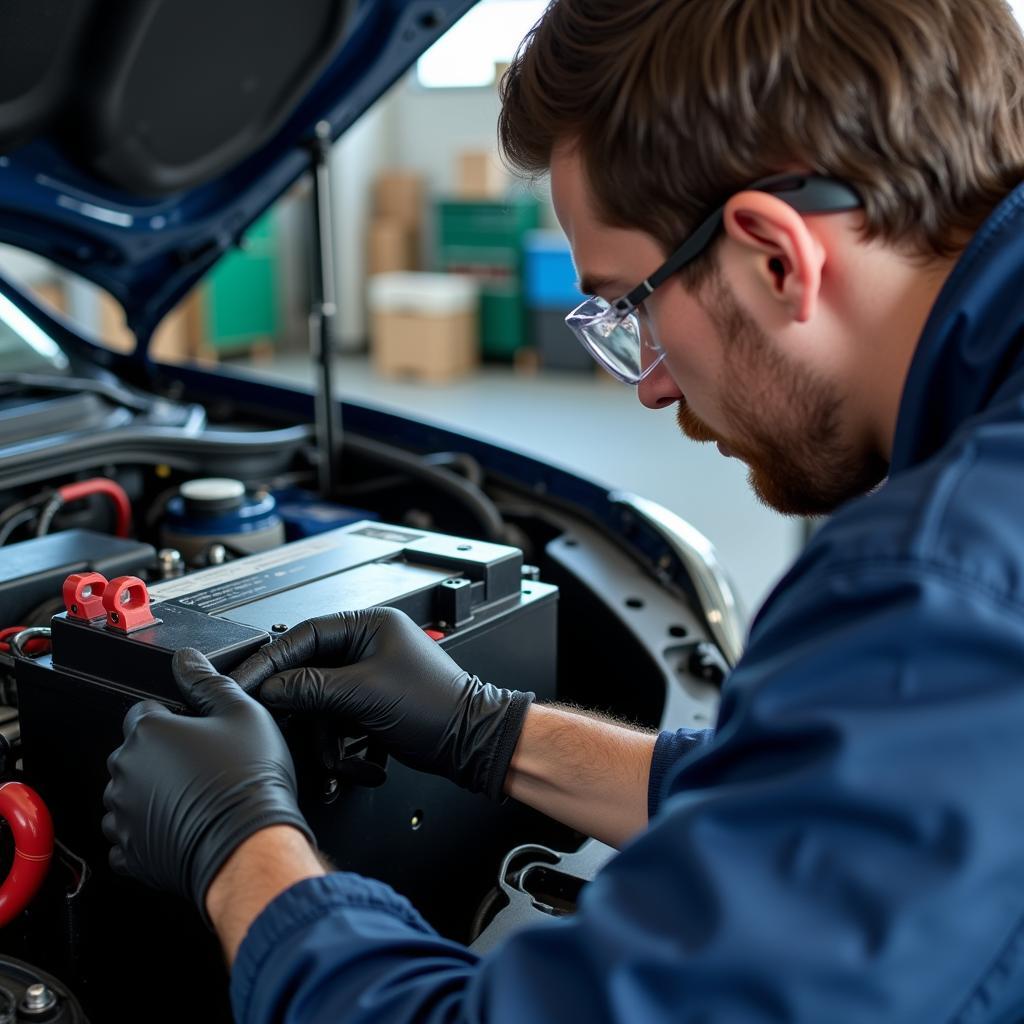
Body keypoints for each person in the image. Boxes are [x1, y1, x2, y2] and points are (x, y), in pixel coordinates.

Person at [102, 0, 1024, 1020]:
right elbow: (820, 816)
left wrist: (239, 847)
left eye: (630, 305)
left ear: (774, 256)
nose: (650, 387)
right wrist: (488, 729)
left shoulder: (941, 584)